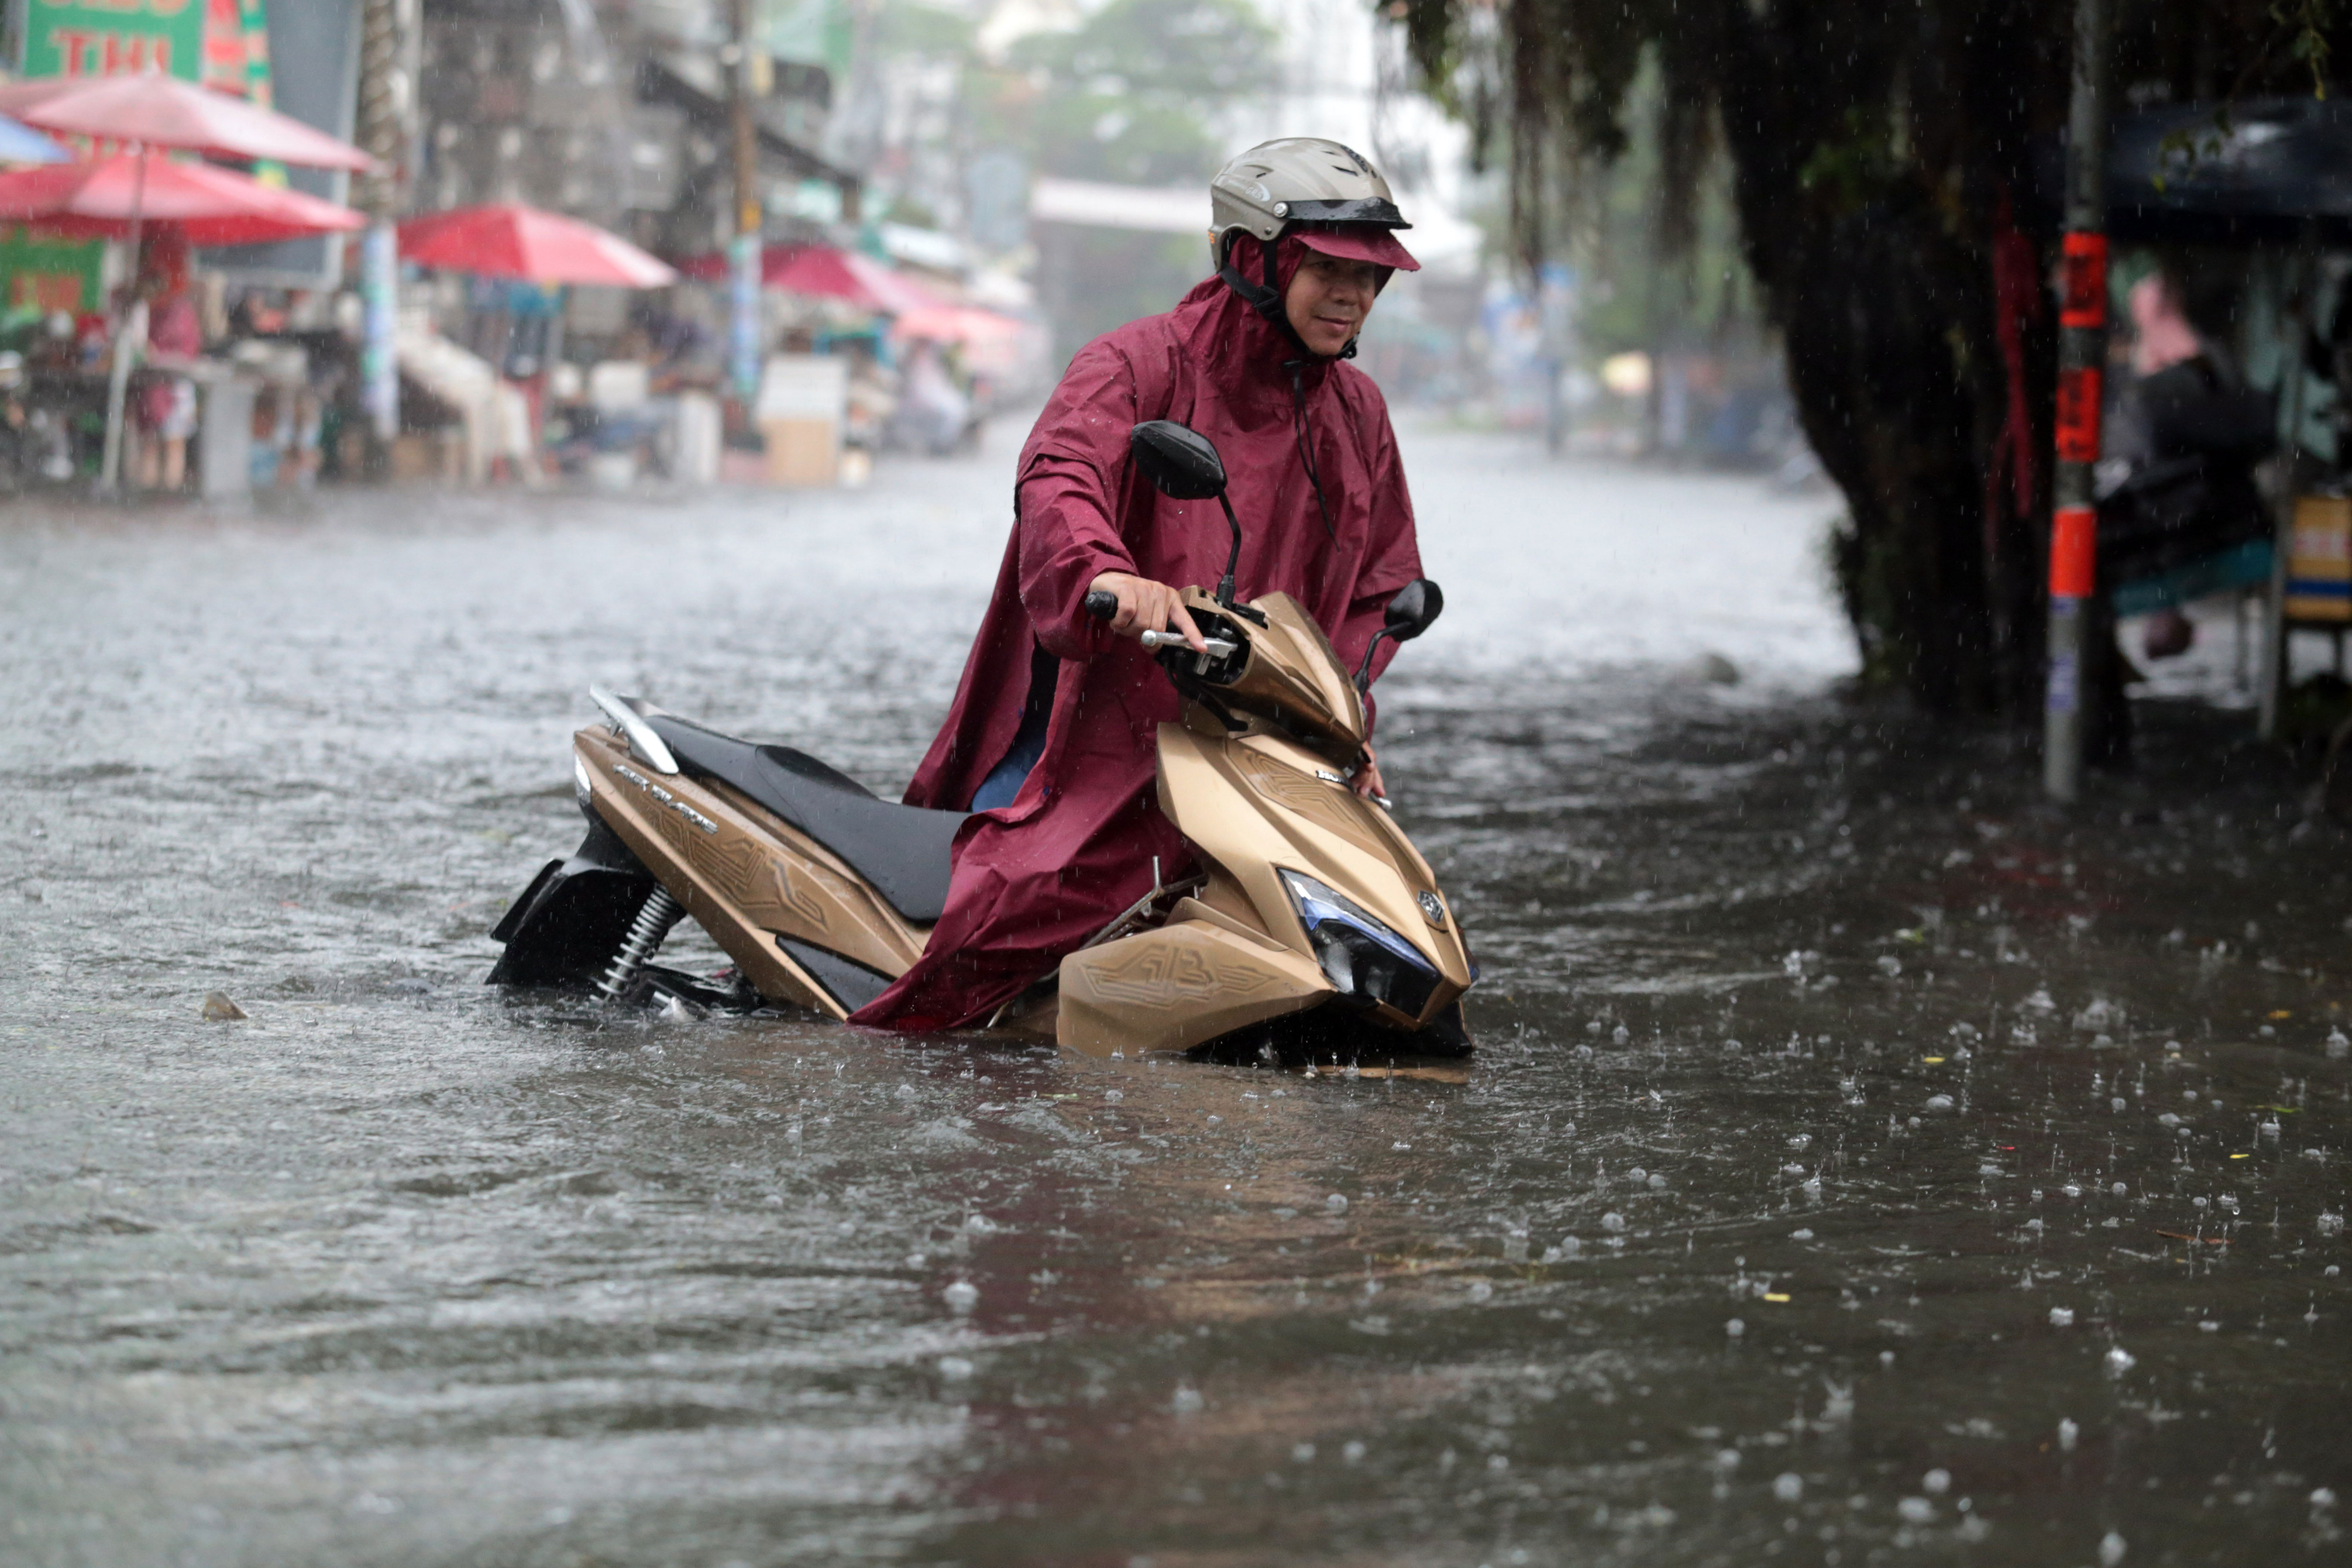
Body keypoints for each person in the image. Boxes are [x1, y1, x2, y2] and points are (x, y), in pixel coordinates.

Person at [848, 138, 1425, 1031]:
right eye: (1327, 269)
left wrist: (1342, 713)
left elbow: (1377, 587)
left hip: (1255, 743)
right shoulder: (1134, 365)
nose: (1354, 296)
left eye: (1371, 276)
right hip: (1103, 719)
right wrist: (1111, 575)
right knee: (1017, 905)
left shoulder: (1359, 413)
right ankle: (898, 1060)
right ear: (1251, 257)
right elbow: (1059, 478)